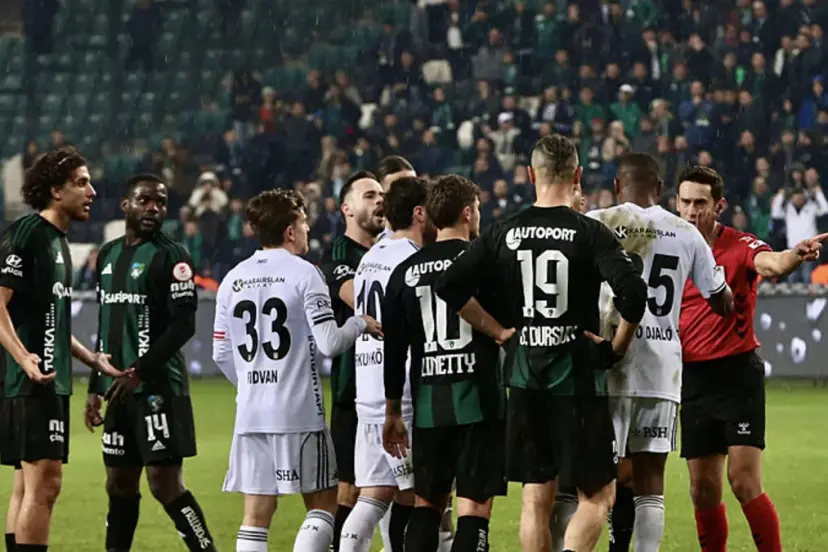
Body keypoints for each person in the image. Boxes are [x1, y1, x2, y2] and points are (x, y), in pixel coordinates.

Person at [435, 134, 648, 552]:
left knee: (535, 496)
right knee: (597, 495)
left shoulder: (503, 231)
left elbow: (449, 285)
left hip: (525, 381)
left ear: (531, 174)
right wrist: (616, 348)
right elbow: (634, 293)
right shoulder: (589, 232)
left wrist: (498, 332)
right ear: (577, 174)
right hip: (578, 381)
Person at [212, 189, 382, 552]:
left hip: (251, 414)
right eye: (304, 223)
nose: (307, 229)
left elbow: (221, 352)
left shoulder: (232, 279)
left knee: (255, 516)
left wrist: (251, 386)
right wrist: (359, 323)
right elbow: (330, 343)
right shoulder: (306, 273)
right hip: (299, 413)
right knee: (323, 506)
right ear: (290, 231)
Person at [586, 154, 734, 552]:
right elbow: (723, 302)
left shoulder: (596, 222)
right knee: (650, 479)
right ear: (661, 189)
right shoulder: (685, 232)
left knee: (599, 479)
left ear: (617, 186)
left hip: (608, 364)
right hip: (661, 369)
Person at [677, 165, 826, 552]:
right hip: (692, 378)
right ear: (675, 203)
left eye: (700, 203)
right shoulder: (670, 248)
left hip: (736, 375)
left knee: (743, 480)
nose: (692, 211)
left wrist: (795, 256)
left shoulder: (740, 244)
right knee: (702, 489)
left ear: (719, 206)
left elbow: (772, 263)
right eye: (685, 202)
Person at [84, 173, 218, 552]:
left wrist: (139, 371)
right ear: (126, 205)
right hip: (117, 389)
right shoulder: (108, 255)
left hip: (159, 387)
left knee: (164, 482)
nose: (153, 209)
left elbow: (184, 325)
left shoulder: (172, 256)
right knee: (119, 484)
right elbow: (105, 325)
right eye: (144, 201)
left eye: (160, 202)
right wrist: (95, 386)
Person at [0, 147, 121, 552]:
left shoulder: (57, 242)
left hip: (43, 378)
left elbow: (53, 321)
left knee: (27, 487)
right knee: (45, 486)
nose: (92, 191)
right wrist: (24, 358)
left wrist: (92, 359)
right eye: (81, 183)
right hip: (31, 381)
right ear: (55, 190)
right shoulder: (29, 234)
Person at [383, 175, 508, 552]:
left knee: (427, 505)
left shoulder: (403, 273)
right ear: (467, 213)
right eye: (478, 209)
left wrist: (393, 411)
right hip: (479, 401)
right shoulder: (486, 263)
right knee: (474, 509)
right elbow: (506, 328)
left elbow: (394, 351)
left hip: (429, 406)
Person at [338, 176, 434, 552]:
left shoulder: (370, 258)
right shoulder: (411, 260)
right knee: (415, 497)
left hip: (368, 390)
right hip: (402, 394)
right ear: (419, 213)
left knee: (373, 496)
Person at [318, 171, 387, 551]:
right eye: (369, 195)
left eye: (382, 194)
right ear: (346, 208)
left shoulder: (388, 249)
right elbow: (362, 299)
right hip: (354, 391)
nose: (379, 200)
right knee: (349, 488)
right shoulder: (339, 254)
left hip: (395, 388)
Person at [375, 156, 417, 242]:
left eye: (414, 186)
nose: (408, 195)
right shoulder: (372, 243)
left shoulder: (435, 234)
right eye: (397, 190)